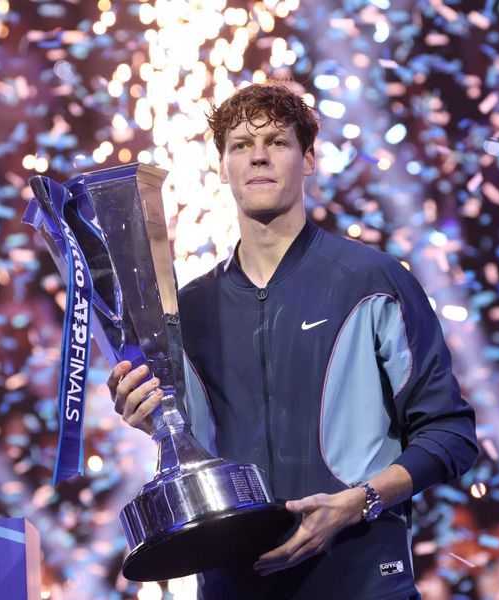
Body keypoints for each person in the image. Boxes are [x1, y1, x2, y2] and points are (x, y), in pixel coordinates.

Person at [108, 82, 479, 599]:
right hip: (233, 585)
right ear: (222, 166)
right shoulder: (185, 312)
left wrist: (359, 501)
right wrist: (149, 415)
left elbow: (450, 435)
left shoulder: (372, 281)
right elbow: (187, 443)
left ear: (307, 160)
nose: (258, 157)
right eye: (240, 145)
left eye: (277, 143)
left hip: (361, 580)